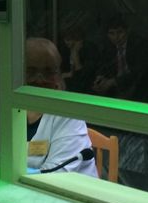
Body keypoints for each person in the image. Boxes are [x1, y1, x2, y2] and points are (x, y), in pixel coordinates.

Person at [25, 37, 98, 177]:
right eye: (31, 71)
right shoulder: (12, 108)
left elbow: (56, 174)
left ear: (58, 75)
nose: (39, 80)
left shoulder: (69, 114)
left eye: (48, 72)